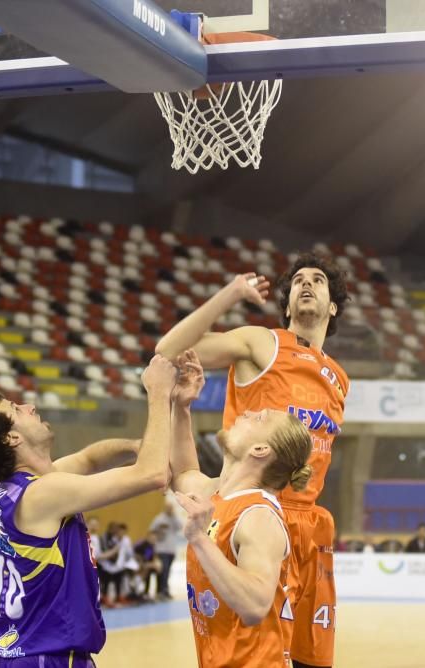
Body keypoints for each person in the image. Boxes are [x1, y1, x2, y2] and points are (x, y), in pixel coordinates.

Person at [157, 254, 350, 668]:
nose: (306, 284)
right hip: (258, 511)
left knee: (312, 661)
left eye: (318, 280)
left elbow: (186, 474)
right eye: (298, 280)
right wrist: (231, 293)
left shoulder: (339, 377)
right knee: (251, 651)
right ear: (287, 305)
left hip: (311, 524)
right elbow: (168, 351)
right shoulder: (264, 342)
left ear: (333, 306)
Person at [0, 354, 176, 667]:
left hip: (34, 655)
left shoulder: (25, 487)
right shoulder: (41, 494)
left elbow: (89, 459)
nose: (30, 406)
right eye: (17, 409)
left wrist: (136, 446)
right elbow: (151, 474)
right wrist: (159, 392)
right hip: (49, 658)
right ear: (12, 438)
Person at [169, 350, 311, 667]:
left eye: (259, 418)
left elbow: (255, 605)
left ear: (260, 450)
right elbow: (183, 473)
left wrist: (199, 539)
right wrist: (181, 406)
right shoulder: (219, 494)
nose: (247, 412)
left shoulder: (258, 516)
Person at [149, 501, 183, 599]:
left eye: (171, 508)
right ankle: (163, 591)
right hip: (161, 549)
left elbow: (180, 526)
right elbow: (151, 531)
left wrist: (173, 516)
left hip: (171, 550)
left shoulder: (174, 519)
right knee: (163, 570)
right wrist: (159, 532)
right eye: (168, 507)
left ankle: (163, 590)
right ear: (165, 508)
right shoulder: (159, 518)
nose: (169, 509)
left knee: (167, 571)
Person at [133, 531, 163, 601]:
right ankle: (142, 593)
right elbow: (142, 560)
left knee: (157, 571)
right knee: (150, 570)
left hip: (145, 565)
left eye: (155, 538)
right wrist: (153, 565)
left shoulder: (151, 546)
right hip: (138, 565)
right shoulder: (143, 545)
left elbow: (151, 558)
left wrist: (156, 564)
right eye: (152, 538)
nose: (154, 540)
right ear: (148, 537)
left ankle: (157, 592)